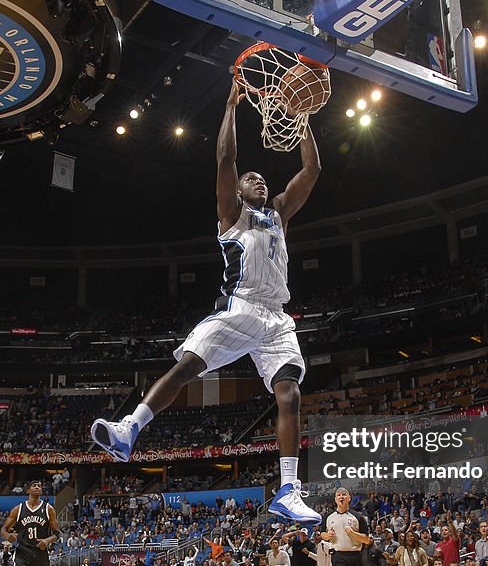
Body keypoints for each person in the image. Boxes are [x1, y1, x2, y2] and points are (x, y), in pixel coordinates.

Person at [90, 79, 323, 526]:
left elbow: (311, 171)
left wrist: (303, 119)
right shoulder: (231, 215)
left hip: (276, 319)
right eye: (250, 179)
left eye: (262, 178)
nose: (259, 179)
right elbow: (225, 158)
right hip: (239, 309)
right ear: (236, 191)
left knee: (289, 395)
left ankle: (289, 489)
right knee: (185, 368)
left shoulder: (278, 216)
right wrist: (232, 108)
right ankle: (128, 430)